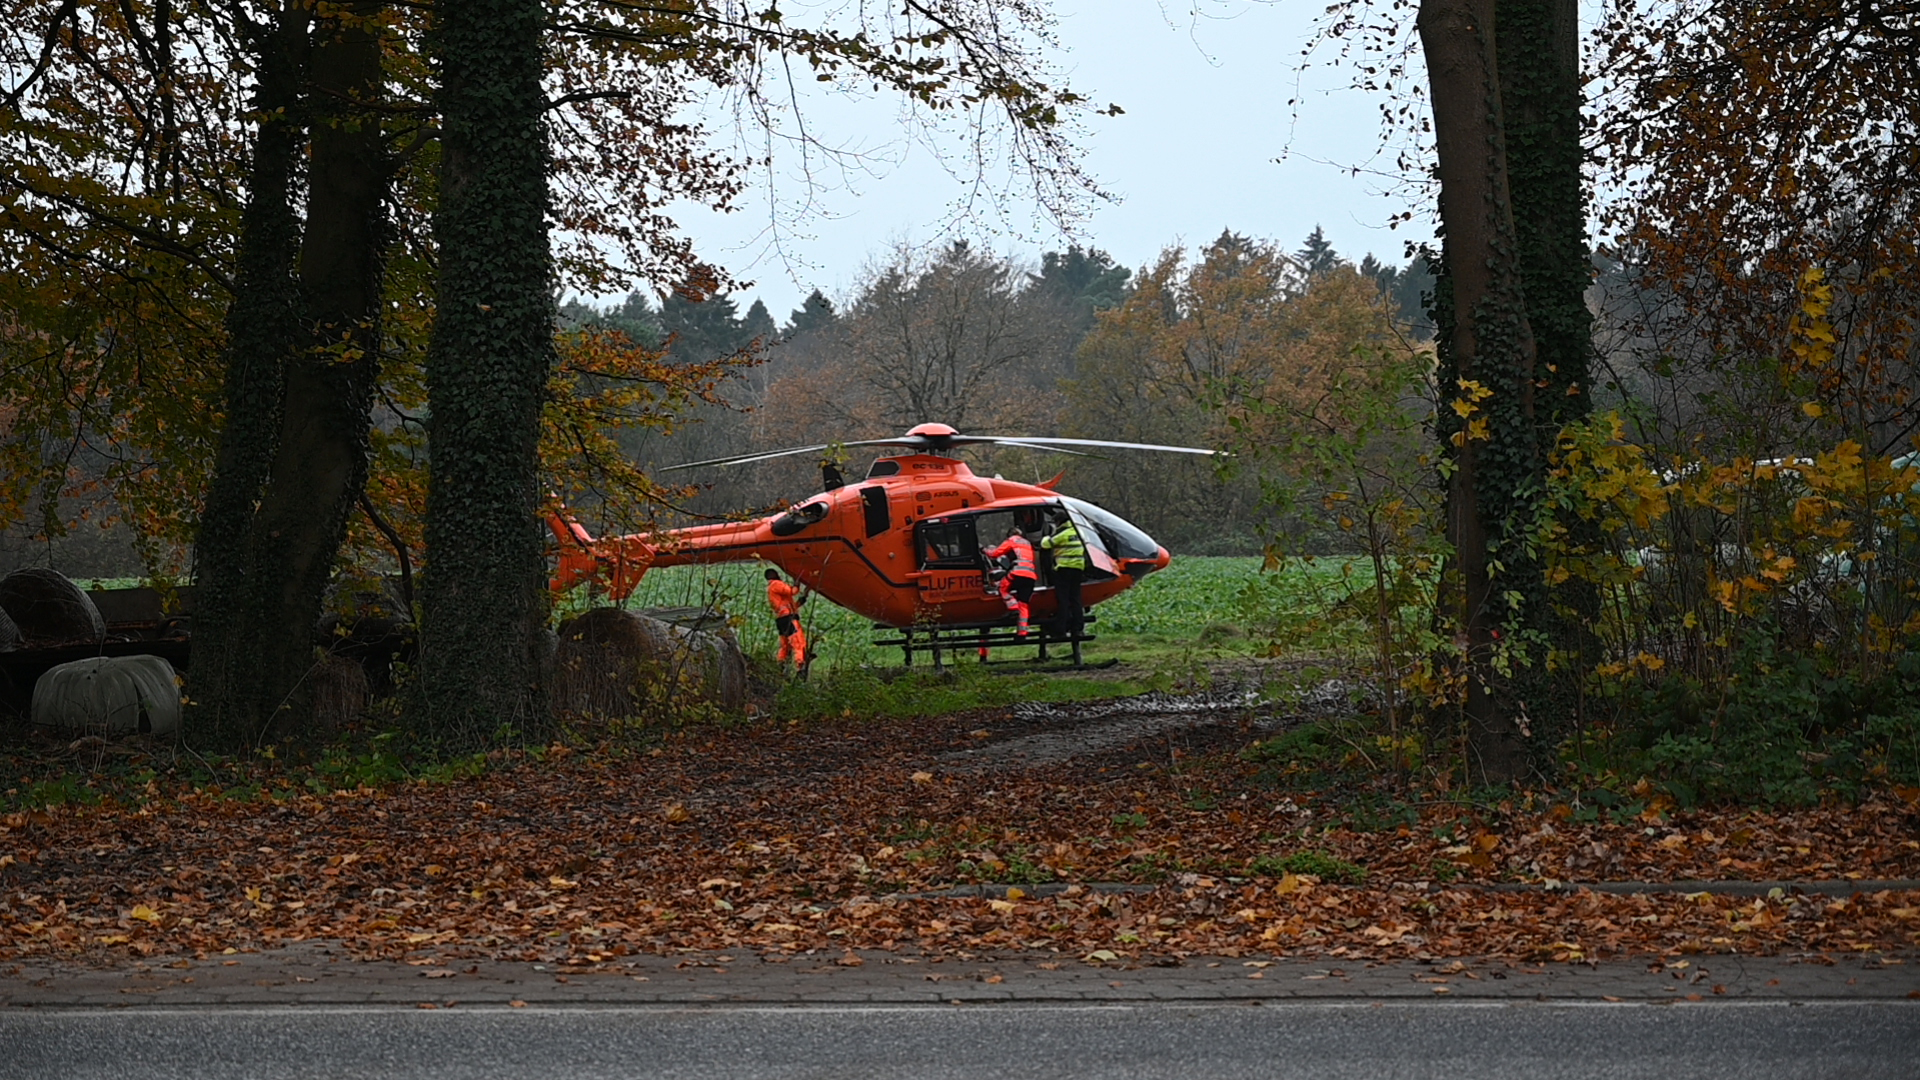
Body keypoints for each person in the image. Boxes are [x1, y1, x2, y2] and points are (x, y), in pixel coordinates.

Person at [1040, 511, 1088, 645]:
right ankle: (1078, 627)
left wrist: (1047, 535)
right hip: (1078, 568)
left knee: (1063, 600)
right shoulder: (1079, 532)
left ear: (1059, 522)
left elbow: (1046, 544)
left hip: (1063, 569)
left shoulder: (1062, 534)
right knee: (1076, 599)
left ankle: (1061, 629)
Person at [982, 524, 1039, 637]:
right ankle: (1022, 633)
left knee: (1002, 587)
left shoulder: (1012, 540)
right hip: (1030, 576)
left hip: (1017, 573)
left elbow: (994, 554)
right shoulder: (1027, 543)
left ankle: (1013, 608)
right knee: (1024, 604)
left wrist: (983, 550)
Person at [765, 567, 809, 674]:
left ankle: (781, 665)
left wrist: (799, 603)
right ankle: (800, 666)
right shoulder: (776, 584)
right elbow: (791, 591)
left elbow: (784, 604)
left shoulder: (771, 589)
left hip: (781, 619)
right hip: (789, 619)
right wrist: (797, 583)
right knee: (798, 643)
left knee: (785, 646)